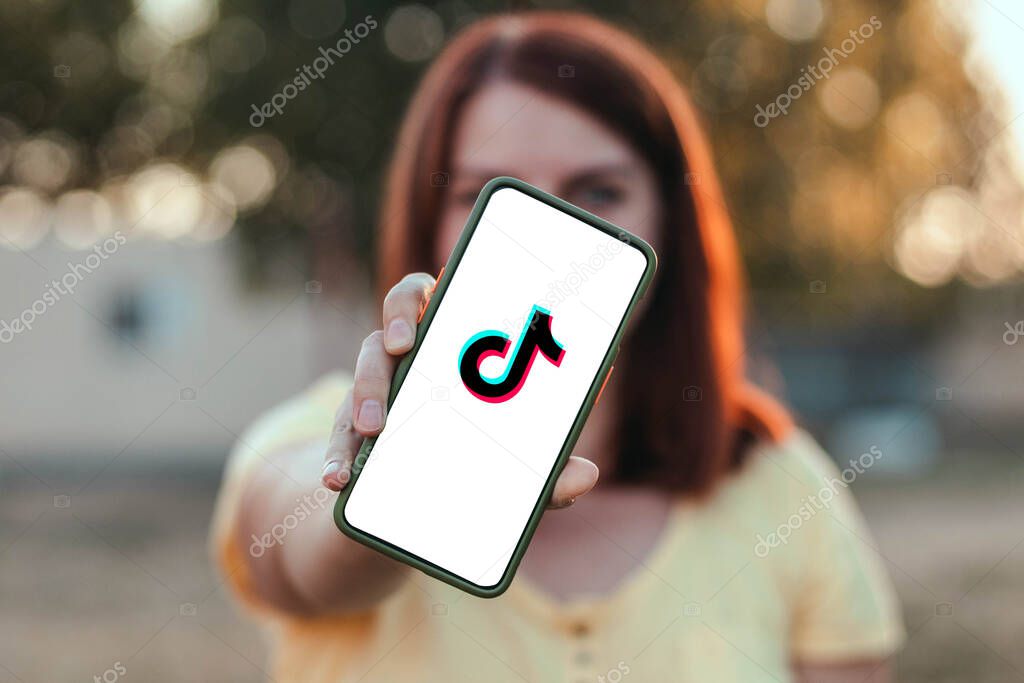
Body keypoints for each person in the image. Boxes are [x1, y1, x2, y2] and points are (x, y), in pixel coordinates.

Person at [210, 12, 903, 682]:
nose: (548, 238)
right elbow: (298, 554)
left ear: (670, 225)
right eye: (486, 192)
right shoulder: (308, 437)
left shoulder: (782, 487)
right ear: (428, 223)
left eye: (599, 189)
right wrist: (390, 470)